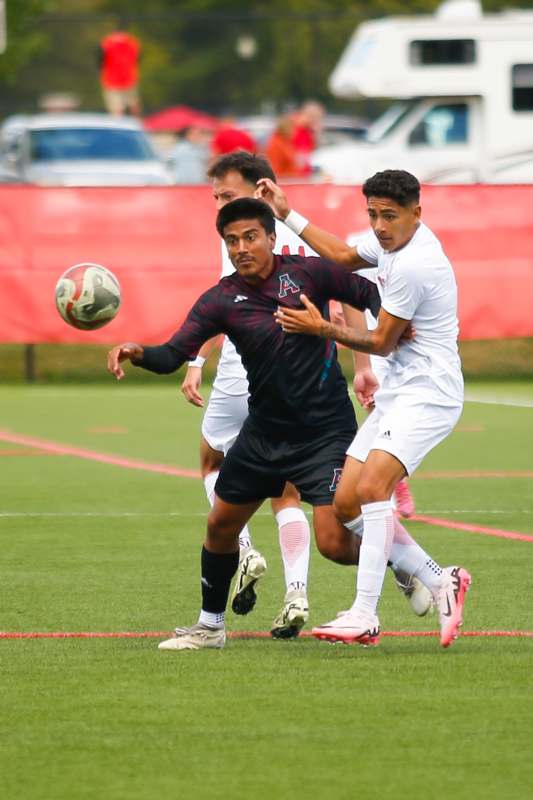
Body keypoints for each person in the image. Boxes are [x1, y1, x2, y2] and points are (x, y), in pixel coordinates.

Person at [107, 198, 433, 652]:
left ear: (271, 237)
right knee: (221, 524)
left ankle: (399, 562)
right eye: (232, 240)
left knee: (336, 544)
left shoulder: (309, 273)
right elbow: (172, 353)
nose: (242, 247)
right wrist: (137, 352)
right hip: (264, 434)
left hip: (324, 431)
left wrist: (399, 325)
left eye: (250, 237)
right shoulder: (221, 298)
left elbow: (368, 292)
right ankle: (210, 626)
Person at [257, 169, 471, 648]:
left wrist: (321, 329)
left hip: (429, 394)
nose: (378, 225)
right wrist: (285, 212)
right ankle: (440, 580)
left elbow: (380, 341)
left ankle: (365, 615)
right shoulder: (390, 243)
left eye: (389, 215)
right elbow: (342, 256)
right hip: (400, 393)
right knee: (347, 502)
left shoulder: (417, 263)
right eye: (372, 213)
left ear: (417, 212)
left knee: (374, 488)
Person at [179, 152, 317, 639]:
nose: (218, 203)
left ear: (257, 189)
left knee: (211, 463)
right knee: (288, 491)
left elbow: (223, 303)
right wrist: (362, 366)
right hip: (302, 381)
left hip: (245, 374)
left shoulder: (242, 237)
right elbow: (341, 293)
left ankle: (243, 545)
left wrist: (194, 361)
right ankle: (297, 592)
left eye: (224, 193)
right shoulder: (301, 232)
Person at [99, 24, 142, 117]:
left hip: (111, 80)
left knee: (116, 109)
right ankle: (137, 125)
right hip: (129, 78)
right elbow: (138, 59)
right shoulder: (132, 43)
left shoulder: (107, 43)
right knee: (133, 105)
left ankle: (118, 126)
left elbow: (100, 60)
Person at [290, 101, 324, 177]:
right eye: (317, 119)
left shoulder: (307, 132)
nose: (318, 122)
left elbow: (310, 151)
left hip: (302, 174)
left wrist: (315, 134)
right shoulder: (294, 130)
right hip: (293, 176)